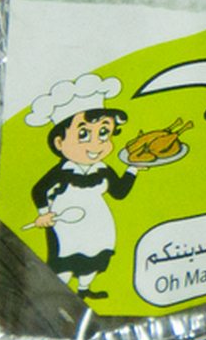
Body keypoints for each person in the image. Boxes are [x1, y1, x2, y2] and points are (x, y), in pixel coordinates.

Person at [25, 74, 140, 300]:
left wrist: (133, 169)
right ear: (60, 142)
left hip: (98, 221)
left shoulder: (103, 169)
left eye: (104, 133)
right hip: (64, 224)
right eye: (84, 134)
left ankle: (84, 289)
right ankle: (56, 295)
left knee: (95, 254)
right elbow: (39, 190)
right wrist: (43, 213)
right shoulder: (62, 172)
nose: (96, 143)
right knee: (65, 258)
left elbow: (119, 192)